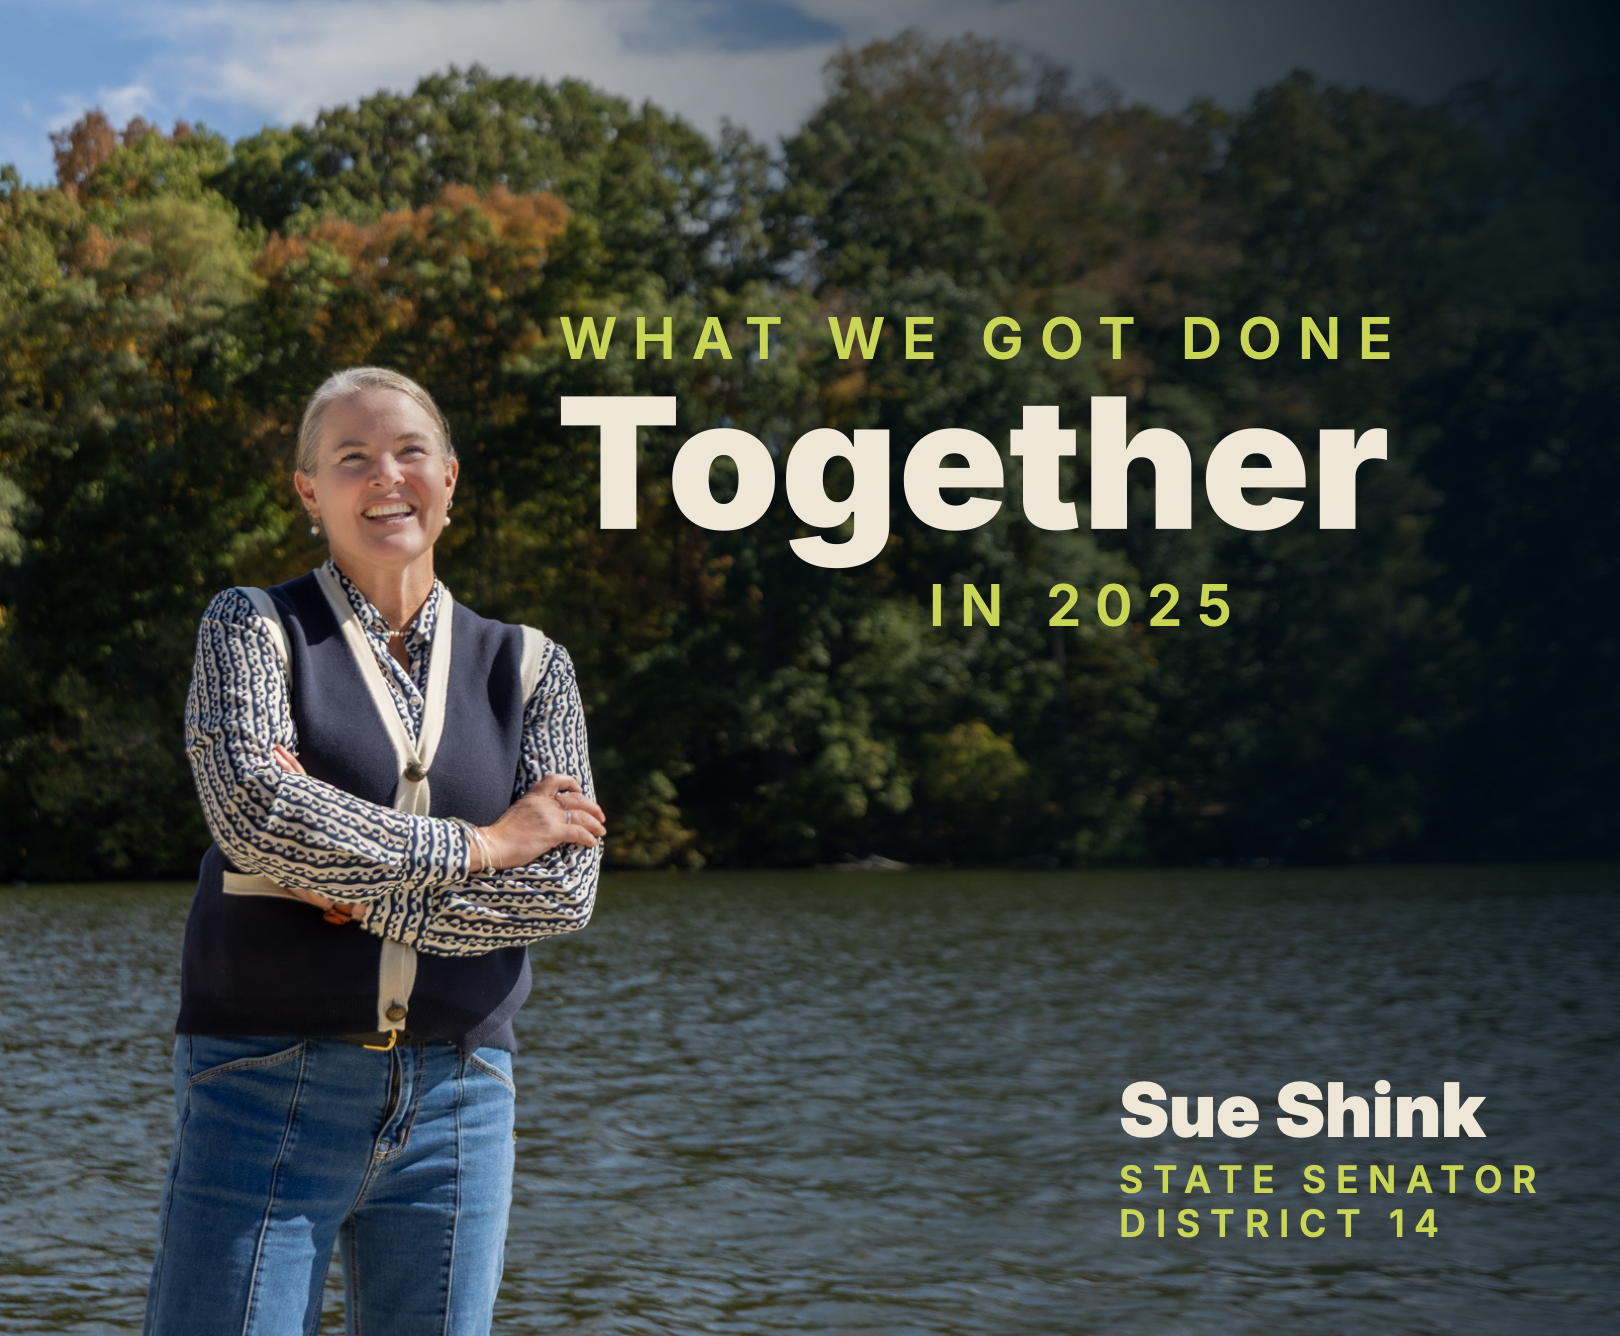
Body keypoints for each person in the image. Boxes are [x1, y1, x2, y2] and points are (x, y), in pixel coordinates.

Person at [142, 366, 605, 1336]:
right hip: (264, 1081)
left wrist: (354, 884)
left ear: (450, 477)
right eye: (351, 457)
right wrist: (485, 842)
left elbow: (562, 888)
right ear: (309, 491)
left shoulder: (533, 666)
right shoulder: (251, 628)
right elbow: (258, 816)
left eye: (408, 452)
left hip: (460, 1101)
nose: (384, 475)